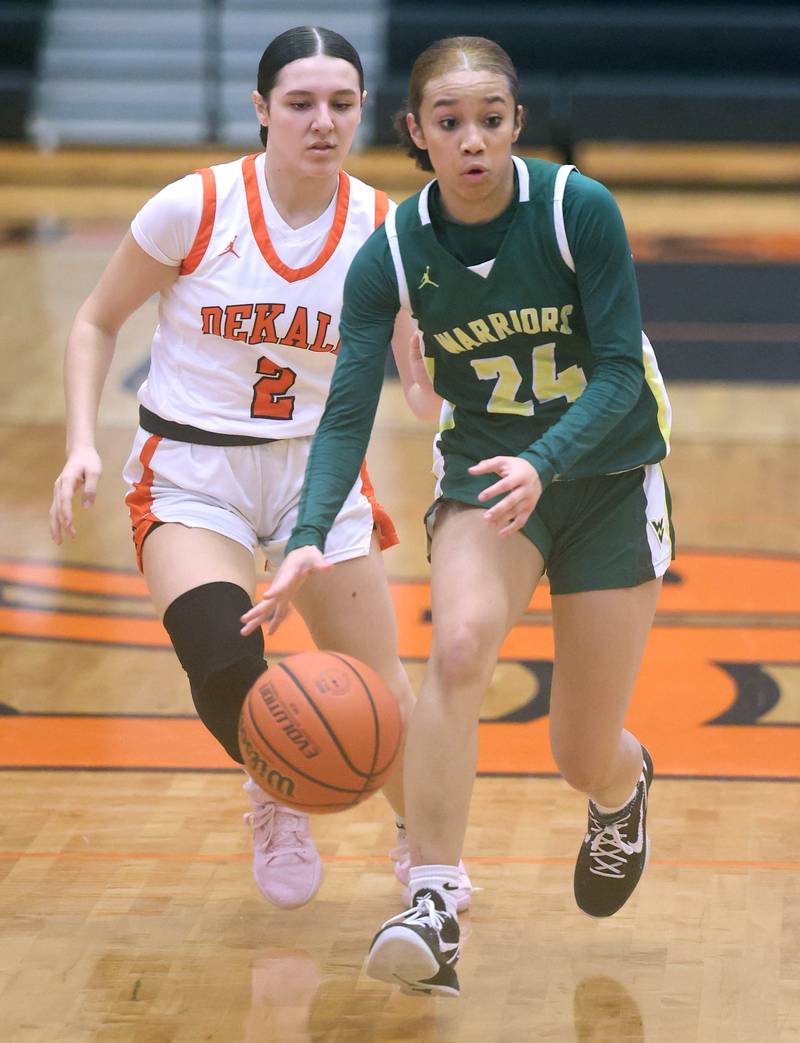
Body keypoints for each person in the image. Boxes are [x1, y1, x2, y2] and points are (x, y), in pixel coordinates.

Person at [241, 35, 674, 997]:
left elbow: (614, 371)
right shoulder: (390, 251)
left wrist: (547, 459)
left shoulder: (575, 209)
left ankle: (619, 788)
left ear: (516, 123)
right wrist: (309, 533)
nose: (471, 140)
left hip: (607, 478)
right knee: (458, 645)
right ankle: (431, 902)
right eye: (449, 123)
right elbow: (348, 403)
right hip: (485, 478)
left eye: (490, 120)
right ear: (416, 134)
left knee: (578, 749)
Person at [48, 26, 473, 914]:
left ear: (367, 112)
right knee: (221, 655)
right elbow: (95, 321)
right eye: (301, 103)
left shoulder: (387, 231)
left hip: (319, 480)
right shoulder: (193, 209)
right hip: (193, 472)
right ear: (261, 110)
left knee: (384, 696)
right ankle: (276, 792)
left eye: (343, 104)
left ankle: (426, 860)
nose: (324, 122)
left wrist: (460, 372)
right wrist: (82, 442)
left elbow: (422, 390)